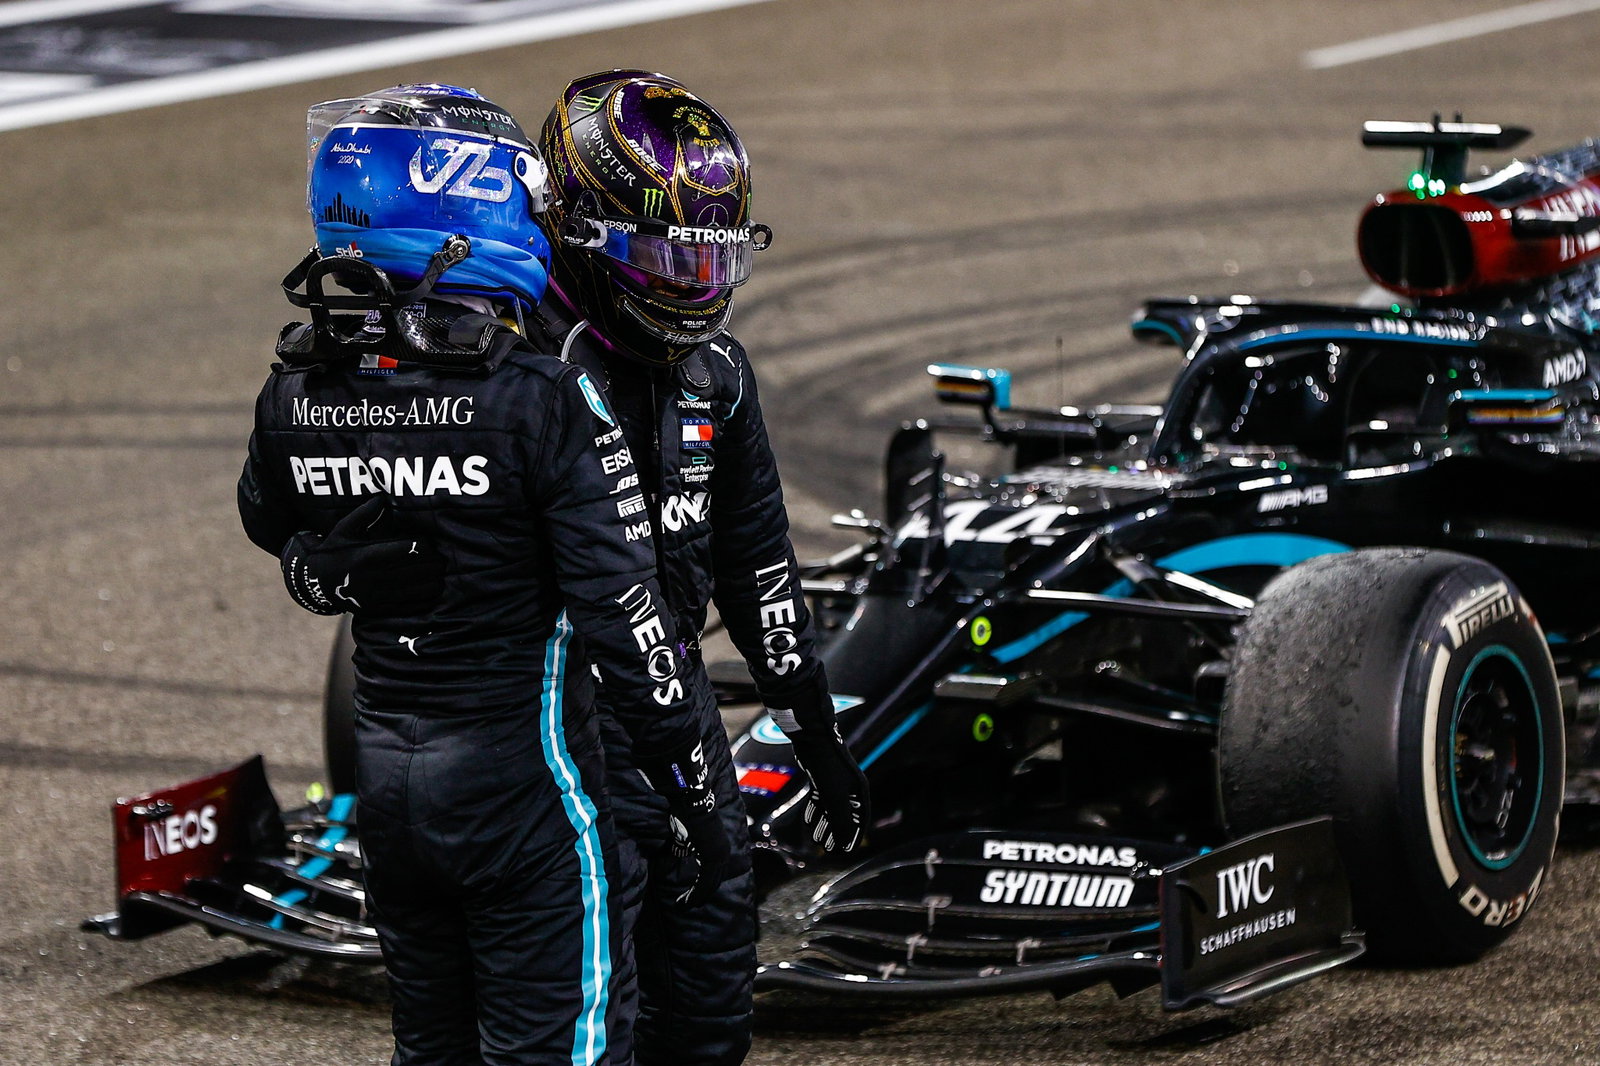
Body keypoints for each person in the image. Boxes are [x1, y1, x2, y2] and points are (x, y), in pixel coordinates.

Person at [237, 83, 738, 1066]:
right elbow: (626, 619)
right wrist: (698, 801)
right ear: (473, 205)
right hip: (528, 802)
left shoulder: (294, 382)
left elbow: (272, 525)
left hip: (387, 797)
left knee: (433, 1050)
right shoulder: (541, 393)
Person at [533, 70, 871, 1066]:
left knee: (713, 1014)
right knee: (601, 1029)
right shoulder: (520, 380)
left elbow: (760, 568)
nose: (691, 282)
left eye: (709, 254)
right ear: (581, 231)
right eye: (663, 254)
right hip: (558, 752)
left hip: (682, 740)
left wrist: (815, 728)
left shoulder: (715, 373)